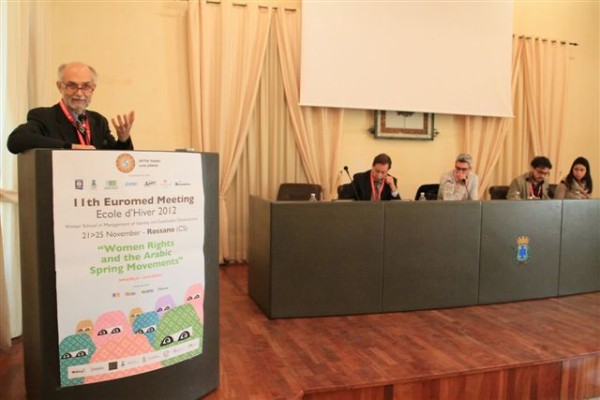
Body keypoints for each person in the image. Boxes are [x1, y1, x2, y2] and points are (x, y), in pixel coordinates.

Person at [7, 61, 134, 154]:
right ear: (60, 87)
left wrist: (123, 139)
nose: (79, 93)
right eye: (72, 86)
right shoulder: (44, 117)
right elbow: (16, 140)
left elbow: (117, 160)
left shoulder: (98, 121)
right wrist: (69, 147)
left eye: (86, 86)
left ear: (93, 89)